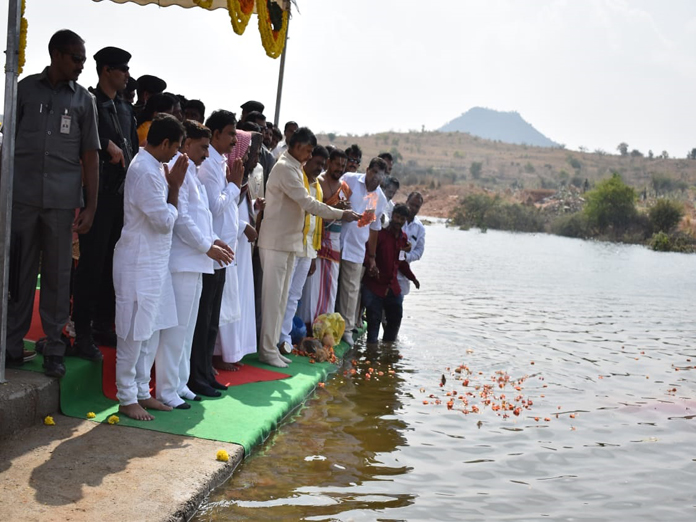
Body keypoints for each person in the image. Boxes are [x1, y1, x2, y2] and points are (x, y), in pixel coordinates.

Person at [5, 30, 100, 377]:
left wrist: (90, 206)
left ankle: (54, 349)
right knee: (18, 273)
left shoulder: (83, 101)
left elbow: (90, 157)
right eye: (76, 58)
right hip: (22, 198)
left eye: (83, 59)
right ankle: (11, 346)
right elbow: (7, 143)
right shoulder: (25, 90)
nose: (81, 65)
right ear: (56, 54)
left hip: (62, 203)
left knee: (59, 277)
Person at [257, 127, 360, 367]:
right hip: (276, 243)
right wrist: (341, 213)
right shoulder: (285, 168)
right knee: (273, 301)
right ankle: (266, 350)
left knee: (282, 301)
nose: (310, 155)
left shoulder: (293, 168)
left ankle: (272, 347)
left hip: (289, 243)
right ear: (296, 146)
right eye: (309, 150)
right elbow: (307, 203)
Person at [112, 114, 188, 421]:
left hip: (153, 264)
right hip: (138, 264)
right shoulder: (145, 171)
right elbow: (164, 221)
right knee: (132, 333)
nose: (177, 154)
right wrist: (175, 189)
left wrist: (171, 186)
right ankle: (126, 397)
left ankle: (142, 392)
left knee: (149, 330)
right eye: (176, 147)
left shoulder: (156, 167)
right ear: (165, 142)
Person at [72, 46, 139, 355]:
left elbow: (134, 153)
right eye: (122, 69)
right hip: (97, 197)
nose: (127, 75)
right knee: (91, 264)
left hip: (122, 199)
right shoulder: (90, 104)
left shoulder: (126, 110)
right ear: (106, 71)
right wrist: (103, 144)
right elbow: (78, 141)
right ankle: (82, 329)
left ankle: (103, 324)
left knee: (114, 265)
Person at [189, 110, 243, 397]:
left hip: (221, 252)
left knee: (211, 319)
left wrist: (235, 185)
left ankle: (206, 372)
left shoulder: (220, 163)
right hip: (210, 251)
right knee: (203, 318)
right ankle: (196, 376)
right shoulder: (208, 166)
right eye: (231, 133)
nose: (235, 140)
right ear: (217, 133)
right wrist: (234, 186)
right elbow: (212, 207)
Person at [214, 131, 264, 370]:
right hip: (227, 244)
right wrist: (244, 226)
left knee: (237, 298)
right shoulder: (226, 175)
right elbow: (219, 212)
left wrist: (253, 206)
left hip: (240, 247)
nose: (253, 157)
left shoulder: (241, 177)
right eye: (249, 152)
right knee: (224, 300)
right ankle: (219, 353)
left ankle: (232, 352)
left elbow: (237, 207)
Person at [277, 145, 330, 354]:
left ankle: (284, 337)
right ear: (307, 160)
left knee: (294, 295)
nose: (320, 168)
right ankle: (274, 338)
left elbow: (317, 223)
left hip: (308, 249)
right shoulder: (297, 179)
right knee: (283, 293)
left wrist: (314, 253)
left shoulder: (317, 186)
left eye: (322, 165)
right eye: (317, 163)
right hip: (292, 244)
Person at [336, 157, 389, 346]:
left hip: (357, 248)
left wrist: (372, 257)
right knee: (330, 286)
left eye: (380, 175)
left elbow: (374, 228)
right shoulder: (349, 179)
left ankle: (347, 330)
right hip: (335, 240)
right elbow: (334, 198)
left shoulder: (380, 199)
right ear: (367, 170)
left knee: (350, 291)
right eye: (373, 172)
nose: (376, 178)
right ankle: (325, 325)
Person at [298, 148, 350, 325]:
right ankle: (307, 325)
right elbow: (314, 211)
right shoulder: (317, 183)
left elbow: (345, 212)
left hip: (334, 241)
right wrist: (337, 212)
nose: (340, 169)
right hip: (317, 238)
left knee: (330, 285)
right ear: (329, 163)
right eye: (337, 164)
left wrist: (342, 211)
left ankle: (325, 327)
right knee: (311, 287)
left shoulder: (344, 188)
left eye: (343, 166)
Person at [362, 203, 419, 344]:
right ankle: (371, 356)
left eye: (402, 219)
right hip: (374, 286)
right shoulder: (379, 234)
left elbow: (401, 262)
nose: (399, 221)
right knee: (373, 328)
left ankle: (388, 355)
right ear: (392, 215)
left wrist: (413, 278)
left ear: (405, 221)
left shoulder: (403, 238)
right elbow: (366, 255)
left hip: (392, 287)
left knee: (395, 320)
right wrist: (371, 266)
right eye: (397, 217)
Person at [397, 191, 426, 297]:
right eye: (411, 204)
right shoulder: (396, 218)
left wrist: (406, 256)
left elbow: (419, 251)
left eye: (417, 206)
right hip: (386, 270)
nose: (413, 208)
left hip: (402, 275)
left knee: (396, 308)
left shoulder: (419, 228)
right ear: (406, 202)